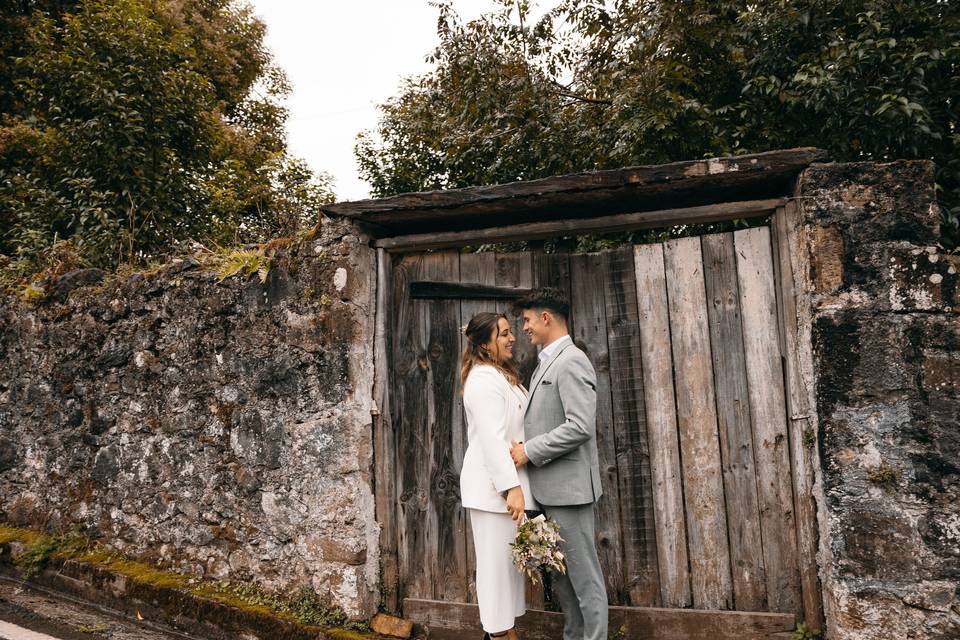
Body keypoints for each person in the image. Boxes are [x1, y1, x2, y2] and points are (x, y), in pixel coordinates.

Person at [509, 287, 608, 640]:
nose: (524, 327)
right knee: (563, 583)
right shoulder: (546, 361)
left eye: (527, 320)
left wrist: (529, 451)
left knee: (585, 580)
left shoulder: (572, 360)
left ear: (546, 317)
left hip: (570, 493)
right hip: (549, 492)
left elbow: (580, 426)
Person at [460, 311, 538, 640]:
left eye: (510, 332)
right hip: (494, 492)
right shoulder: (482, 379)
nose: (511, 338)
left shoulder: (503, 375)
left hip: (508, 491)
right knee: (495, 572)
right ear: (483, 344)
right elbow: (492, 440)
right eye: (503, 334)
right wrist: (511, 488)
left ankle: (503, 633)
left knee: (508, 572)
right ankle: (500, 634)